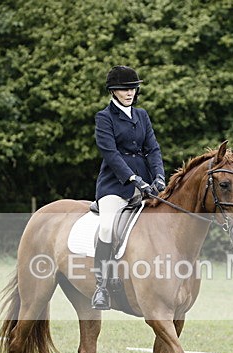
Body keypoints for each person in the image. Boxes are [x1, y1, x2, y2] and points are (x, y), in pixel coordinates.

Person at [91, 65, 166, 310]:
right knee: (106, 228)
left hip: (146, 183)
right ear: (113, 91)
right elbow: (111, 154)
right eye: (124, 89)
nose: (129, 92)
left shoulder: (142, 115)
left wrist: (159, 177)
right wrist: (133, 178)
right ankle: (102, 286)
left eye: (133, 88)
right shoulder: (104, 118)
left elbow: (152, 149)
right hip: (115, 186)